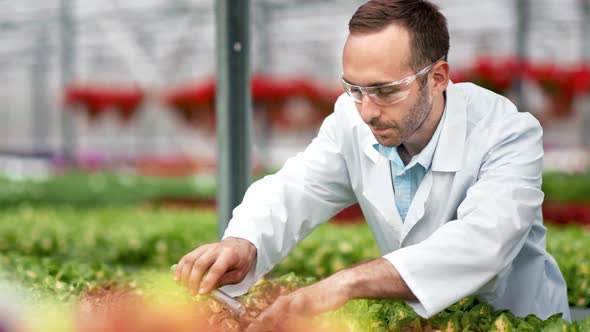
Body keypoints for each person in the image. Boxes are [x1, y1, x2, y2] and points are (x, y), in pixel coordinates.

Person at [175, 0, 570, 330]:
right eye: (354, 89)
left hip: (521, 320)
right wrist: (244, 242)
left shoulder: (508, 133)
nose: (367, 111)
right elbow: (296, 188)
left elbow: (483, 244)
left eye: (384, 91)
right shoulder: (351, 121)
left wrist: (345, 284)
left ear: (437, 77)